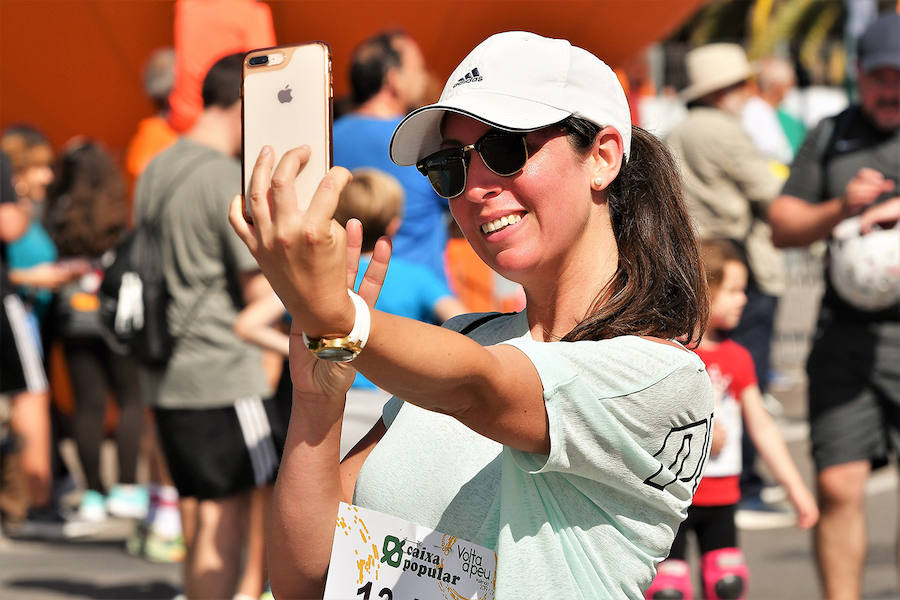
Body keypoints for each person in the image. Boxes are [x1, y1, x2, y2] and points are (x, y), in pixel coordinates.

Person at [232, 31, 715, 599]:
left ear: (603, 156)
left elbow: (480, 387)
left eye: (506, 149)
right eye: (449, 167)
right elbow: (309, 580)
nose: (477, 187)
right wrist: (317, 400)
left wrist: (339, 317)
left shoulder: (661, 375)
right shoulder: (466, 337)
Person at [134, 53, 282, 599]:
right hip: (223, 374)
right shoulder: (223, 176)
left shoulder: (156, 168)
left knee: (203, 521)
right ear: (242, 105)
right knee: (231, 525)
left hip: (168, 372)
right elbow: (255, 287)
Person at [768, 12, 900, 600]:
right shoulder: (831, 133)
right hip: (843, 335)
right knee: (839, 485)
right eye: (878, 76)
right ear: (860, 75)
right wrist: (841, 209)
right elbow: (782, 223)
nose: (890, 88)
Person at [235, 168, 464, 458]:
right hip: (398, 405)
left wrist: (315, 350)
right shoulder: (418, 278)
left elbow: (247, 325)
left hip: (331, 406)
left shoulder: (316, 277)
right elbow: (463, 323)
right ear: (394, 225)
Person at [645, 240, 819, 600]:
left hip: (722, 496)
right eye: (735, 290)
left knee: (727, 584)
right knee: (667, 591)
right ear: (703, 290)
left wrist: (796, 489)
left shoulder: (737, 358)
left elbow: (763, 428)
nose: (744, 299)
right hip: (670, 497)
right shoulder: (662, 354)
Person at [666, 43, 788, 519]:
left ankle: (704, 479)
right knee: (745, 375)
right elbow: (770, 193)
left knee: (698, 371)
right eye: (741, 84)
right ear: (722, 90)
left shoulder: (676, 130)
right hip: (735, 263)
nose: (747, 92)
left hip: (692, 265)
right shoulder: (722, 131)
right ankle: (749, 486)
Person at [43, 139, 146, 526]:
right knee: (130, 400)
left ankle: (92, 493)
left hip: (74, 318)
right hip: (118, 314)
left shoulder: (57, 212)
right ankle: (126, 487)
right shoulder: (116, 208)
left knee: (88, 405)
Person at [333, 31, 455, 288]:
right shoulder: (423, 138)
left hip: (350, 293)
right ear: (394, 80)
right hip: (422, 304)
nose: (424, 78)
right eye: (418, 69)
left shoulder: (328, 139)